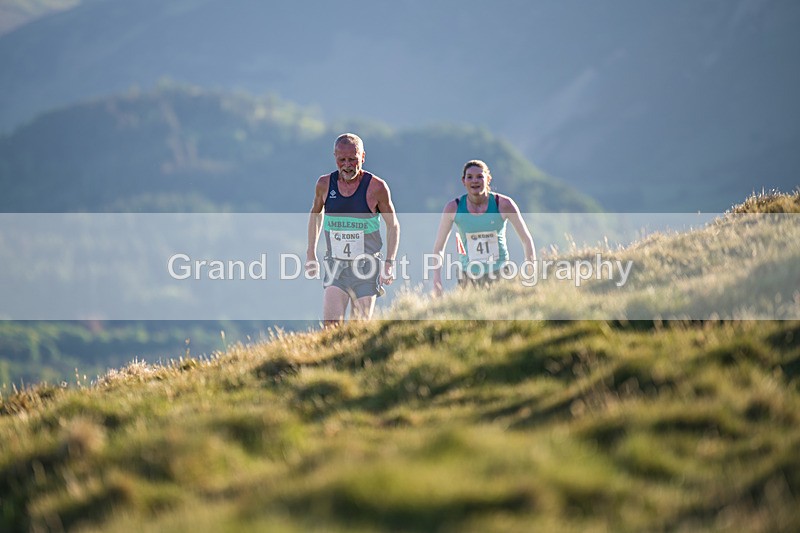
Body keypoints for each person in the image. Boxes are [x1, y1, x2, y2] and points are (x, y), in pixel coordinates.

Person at [306, 133, 400, 325]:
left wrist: (389, 262)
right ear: (335, 157)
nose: (347, 165)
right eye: (342, 160)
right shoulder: (324, 184)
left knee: (358, 328)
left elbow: (393, 225)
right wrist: (311, 253)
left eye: (353, 159)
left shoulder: (376, 187)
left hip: (367, 268)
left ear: (363, 157)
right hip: (336, 266)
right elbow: (315, 215)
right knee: (331, 327)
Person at [431, 159, 535, 296]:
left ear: (488, 179)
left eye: (480, 176)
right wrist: (437, 281)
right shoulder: (453, 208)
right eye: (470, 177)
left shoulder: (503, 204)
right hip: (468, 277)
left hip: (500, 274)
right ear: (463, 181)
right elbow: (439, 247)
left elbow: (526, 239)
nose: (475, 181)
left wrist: (531, 272)